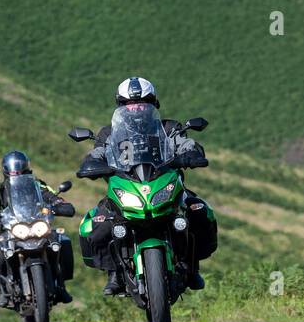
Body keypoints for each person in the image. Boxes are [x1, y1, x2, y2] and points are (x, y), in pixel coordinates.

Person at [76, 76, 217, 296]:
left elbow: (184, 143)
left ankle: (192, 267)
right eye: (129, 104)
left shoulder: (169, 127)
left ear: (153, 103)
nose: (136, 108)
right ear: (121, 106)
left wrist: (192, 153)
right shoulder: (108, 134)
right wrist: (91, 163)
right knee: (98, 224)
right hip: (125, 187)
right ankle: (114, 273)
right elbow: (98, 153)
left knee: (198, 211)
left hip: (165, 183)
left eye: (142, 102)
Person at [0, 150, 75, 305]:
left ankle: (60, 284)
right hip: (11, 230)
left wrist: (59, 204)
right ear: (6, 170)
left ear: (26, 168)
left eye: (20, 169)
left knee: (59, 243)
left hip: (37, 226)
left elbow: (52, 196)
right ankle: (3, 291)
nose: (17, 173)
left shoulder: (38, 185)